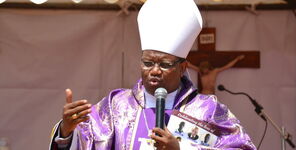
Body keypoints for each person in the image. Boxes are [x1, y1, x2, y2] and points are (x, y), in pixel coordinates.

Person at [49, 0, 257, 149]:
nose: (155, 71)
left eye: (165, 64)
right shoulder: (116, 106)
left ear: (183, 67)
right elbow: (87, 142)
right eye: (148, 62)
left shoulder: (208, 110)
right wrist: (67, 132)